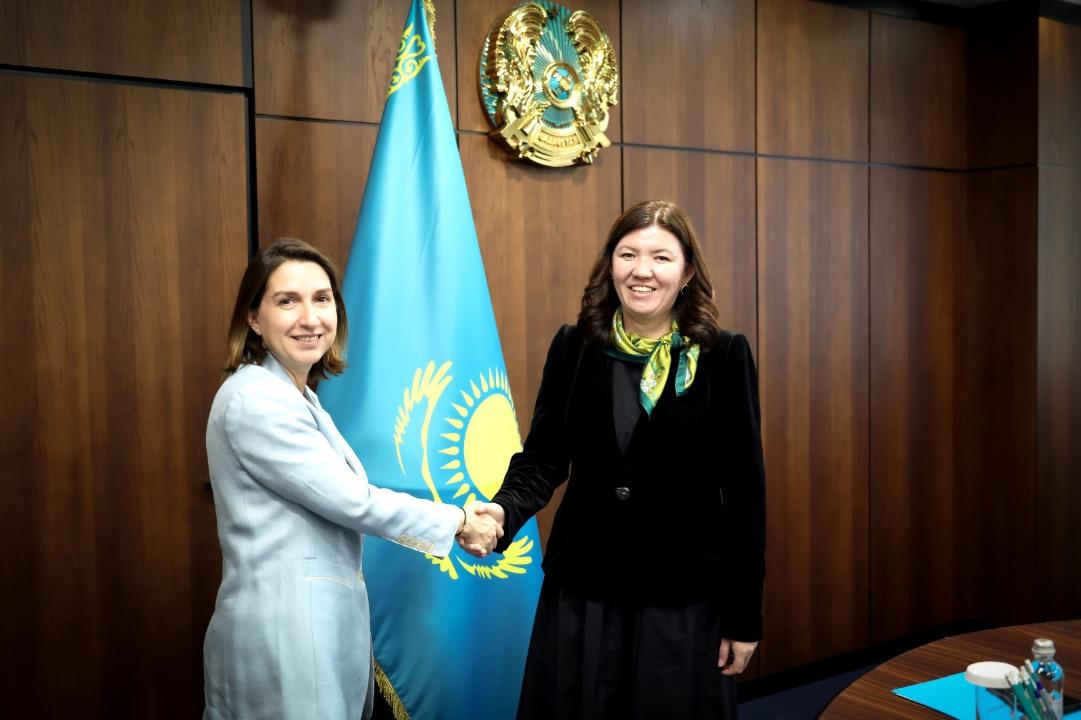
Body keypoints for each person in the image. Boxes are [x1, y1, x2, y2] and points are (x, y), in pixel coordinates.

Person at [477, 200, 766, 719]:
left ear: (687, 272)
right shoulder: (574, 346)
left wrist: (744, 617)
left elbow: (745, 496)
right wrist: (503, 510)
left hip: (679, 597)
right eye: (628, 254)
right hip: (585, 590)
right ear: (610, 265)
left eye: (661, 257)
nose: (642, 270)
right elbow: (543, 458)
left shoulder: (723, 356)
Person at [202, 238, 500, 720]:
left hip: (313, 634)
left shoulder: (297, 396)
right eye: (287, 301)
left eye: (322, 299)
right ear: (254, 318)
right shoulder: (255, 399)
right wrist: (460, 520)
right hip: (286, 637)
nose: (310, 318)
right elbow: (354, 502)